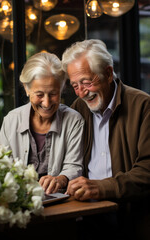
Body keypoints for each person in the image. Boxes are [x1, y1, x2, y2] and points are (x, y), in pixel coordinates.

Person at [62, 39, 150, 239]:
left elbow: (147, 170)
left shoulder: (143, 106)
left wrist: (102, 187)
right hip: (86, 213)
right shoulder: (78, 108)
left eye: (86, 82)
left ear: (108, 74)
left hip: (131, 215)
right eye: (75, 85)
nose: (81, 93)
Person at [0, 52, 84, 194]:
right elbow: (1, 167)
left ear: (61, 89)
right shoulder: (11, 120)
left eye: (53, 94)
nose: (47, 102)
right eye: (39, 95)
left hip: (60, 202)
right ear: (27, 88)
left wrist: (60, 179)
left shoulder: (74, 120)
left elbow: (74, 166)